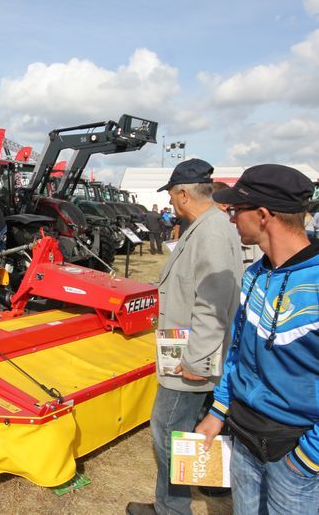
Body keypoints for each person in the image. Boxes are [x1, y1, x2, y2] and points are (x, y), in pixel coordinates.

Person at [195, 164, 319, 515]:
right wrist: (219, 411)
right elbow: (238, 352)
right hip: (245, 441)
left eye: (236, 210)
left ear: (264, 215)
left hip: (299, 456)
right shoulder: (255, 275)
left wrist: (310, 458)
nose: (231, 218)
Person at [126, 159, 242, 515]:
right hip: (195, 350)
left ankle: (171, 508)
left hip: (192, 358)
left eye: (173, 197)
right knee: (201, 426)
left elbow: (213, 302)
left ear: (182, 193)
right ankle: (214, 485)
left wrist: (196, 360)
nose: (173, 203)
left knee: (168, 431)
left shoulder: (211, 232)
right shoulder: (206, 227)